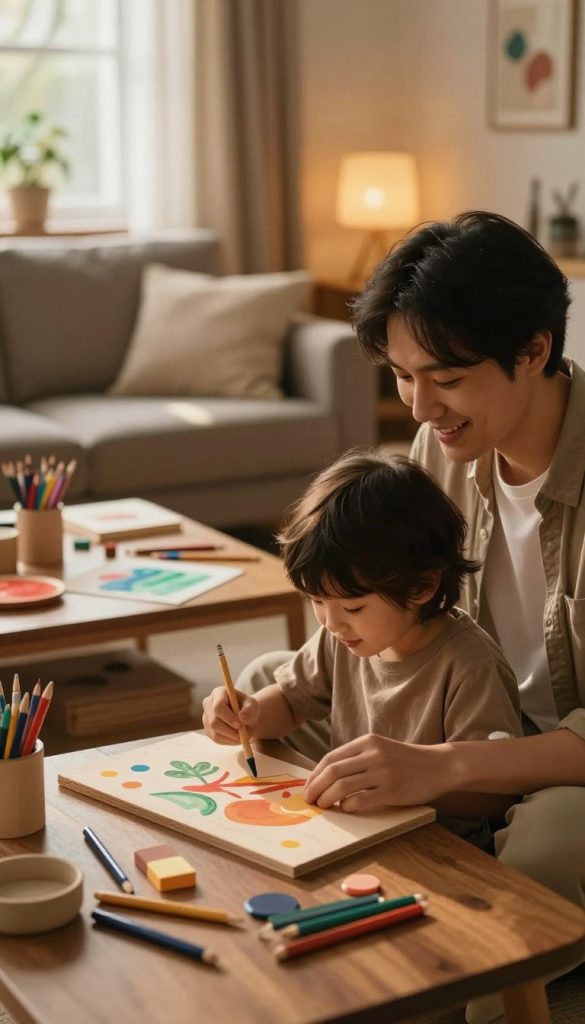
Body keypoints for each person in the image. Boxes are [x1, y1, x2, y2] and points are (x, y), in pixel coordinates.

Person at [203, 449, 522, 849]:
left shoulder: (469, 665)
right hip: (354, 827)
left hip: (436, 845)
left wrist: (409, 784)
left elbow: (492, 796)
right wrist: (247, 716)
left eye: (352, 607)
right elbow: (291, 700)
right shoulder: (344, 637)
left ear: (423, 586)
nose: (330, 622)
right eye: (317, 602)